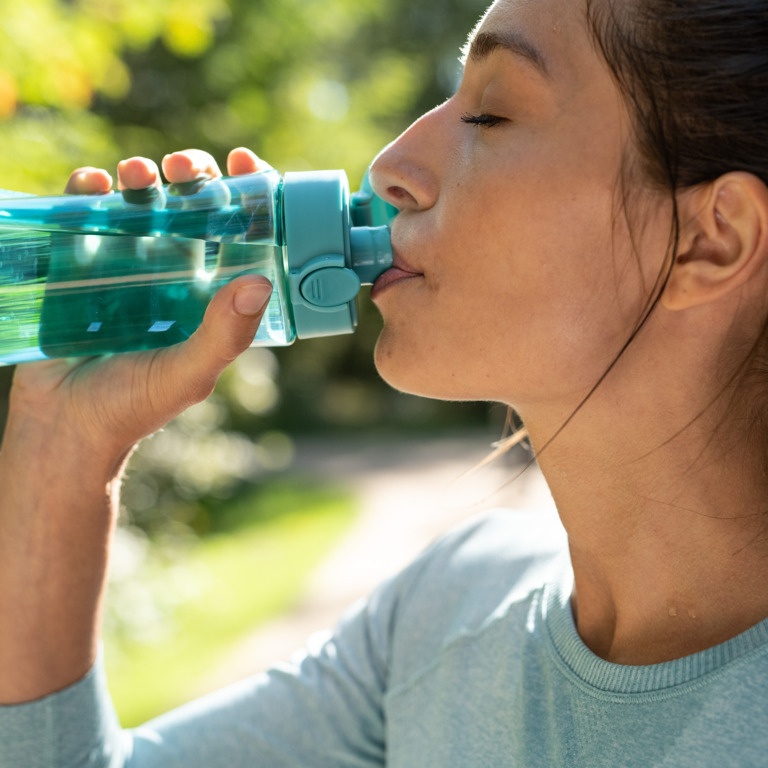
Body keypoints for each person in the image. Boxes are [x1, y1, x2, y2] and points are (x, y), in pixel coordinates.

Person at [2, 0, 768, 764]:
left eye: (491, 114)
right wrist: (63, 443)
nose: (390, 166)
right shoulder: (443, 617)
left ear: (709, 240)